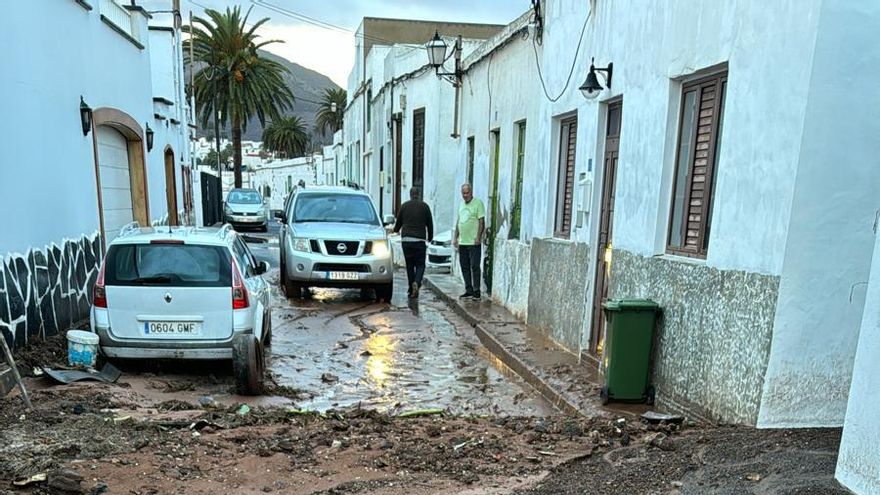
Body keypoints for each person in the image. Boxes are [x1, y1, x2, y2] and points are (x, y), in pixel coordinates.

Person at [393, 187, 434, 299]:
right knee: (420, 264)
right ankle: (417, 282)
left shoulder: (404, 206)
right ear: (419, 194)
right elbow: (430, 224)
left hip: (406, 240)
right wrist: (430, 237)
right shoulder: (425, 207)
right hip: (419, 240)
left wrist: (395, 230)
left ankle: (411, 289)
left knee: (410, 265)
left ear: (410, 195)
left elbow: (398, 224)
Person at [452, 183, 485, 300]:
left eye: (467, 193)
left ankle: (476, 291)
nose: (465, 195)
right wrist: (455, 237)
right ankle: (468, 289)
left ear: (471, 192)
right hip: (463, 242)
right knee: (464, 266)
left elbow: (481, 221)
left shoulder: (478, 203)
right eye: (463, 193)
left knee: (475, 266)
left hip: (473, 242)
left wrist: (478, 237)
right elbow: (459, 222)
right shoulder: (461, 205)